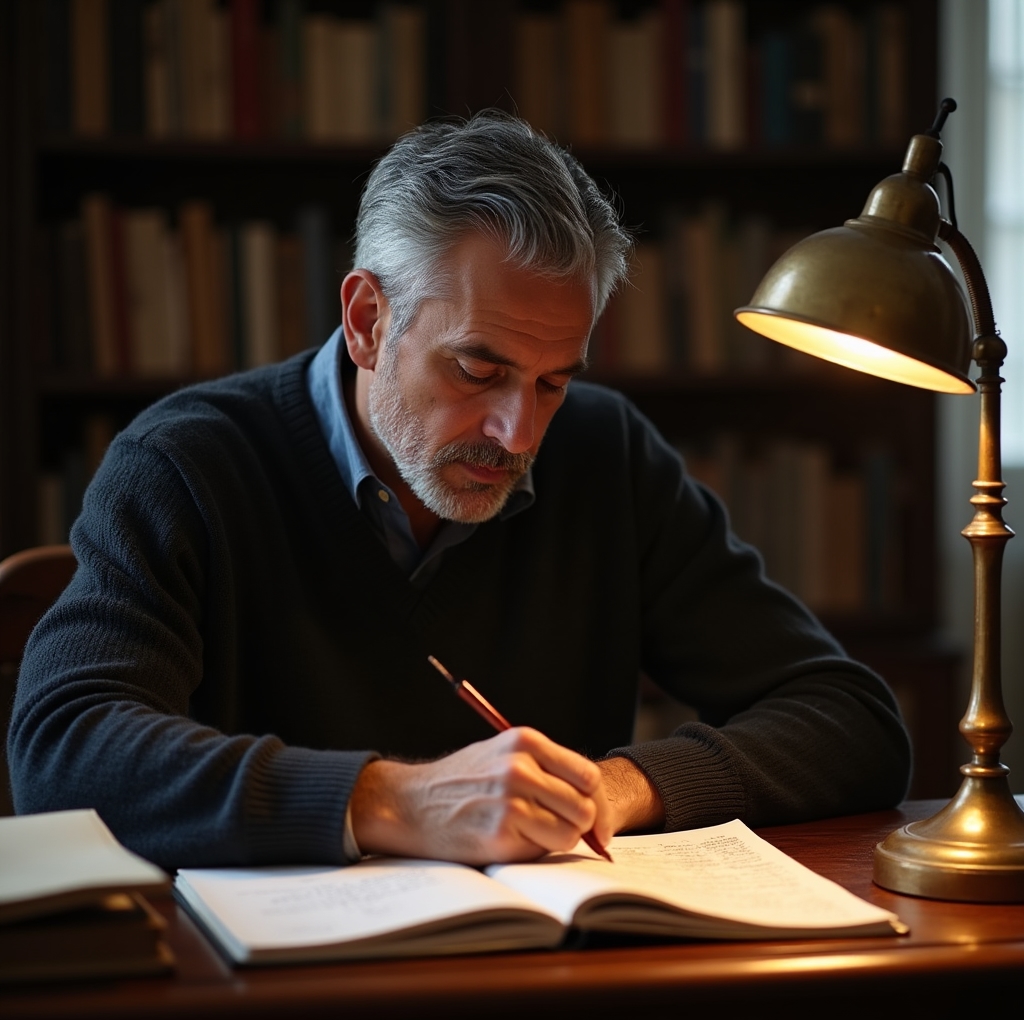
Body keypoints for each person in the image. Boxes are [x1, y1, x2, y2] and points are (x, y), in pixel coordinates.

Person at [8, 112, 910, 869]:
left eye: (553, 381)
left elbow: (852, 722)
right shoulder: (187, 465)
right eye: (479, 368)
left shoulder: (605, 455)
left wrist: (614, 789)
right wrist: (392, 800)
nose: (519, 434)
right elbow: (61, 754)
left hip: (546, 974)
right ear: (367, 321)